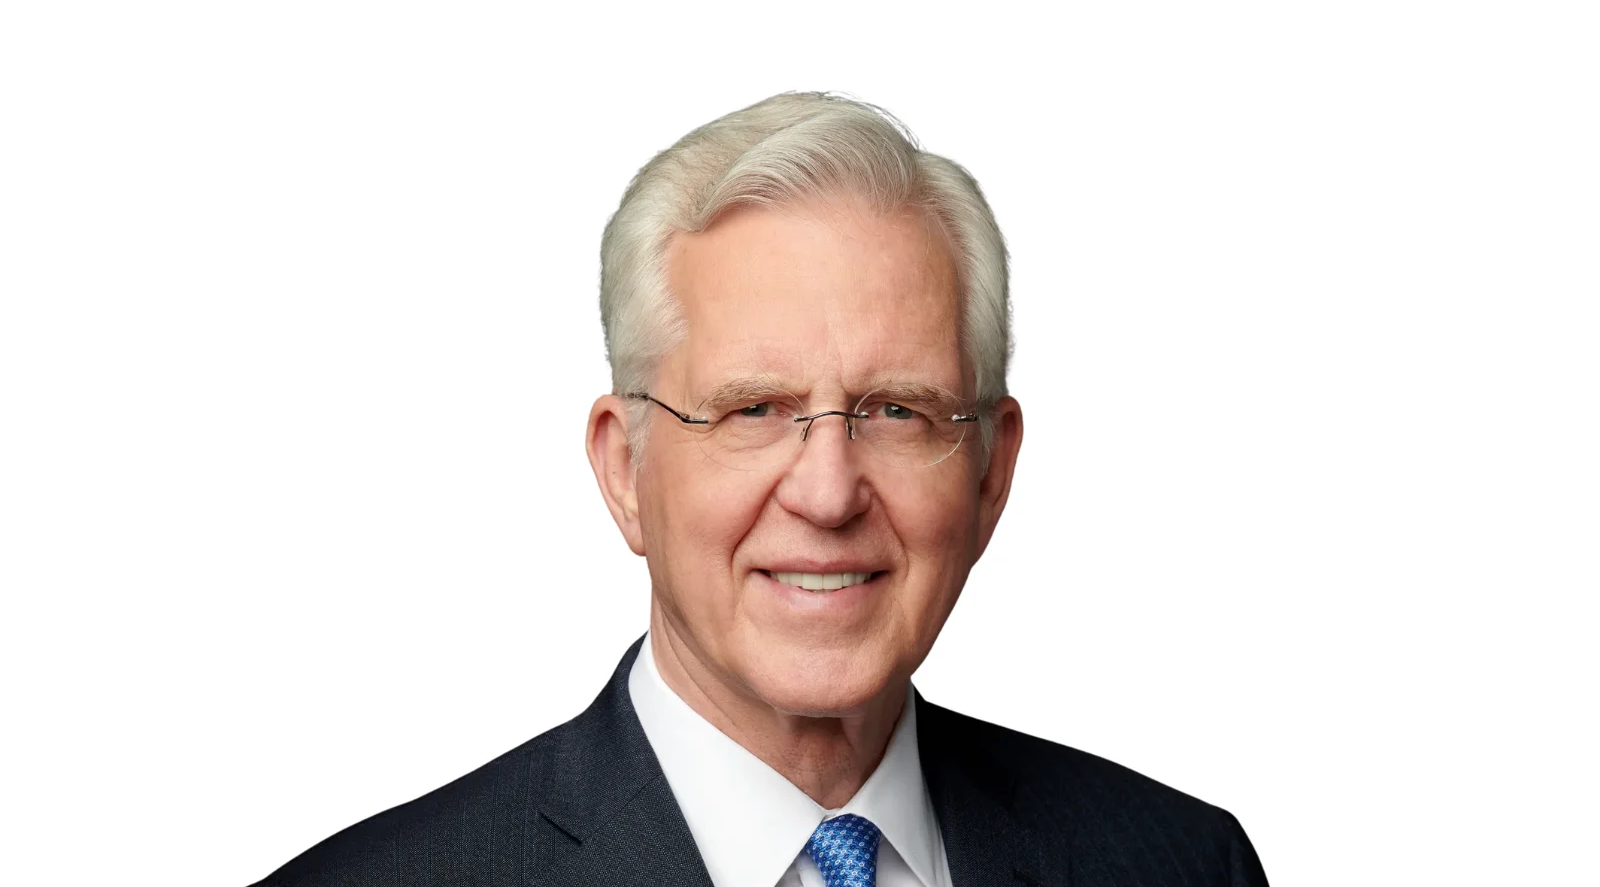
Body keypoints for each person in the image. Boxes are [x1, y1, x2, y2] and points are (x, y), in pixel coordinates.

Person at [254, 91, 1268, 887]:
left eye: (896, 410)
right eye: (753, 410)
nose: (827, 494)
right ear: (624, 469)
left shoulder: (1181, 865)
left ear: (990, 471)